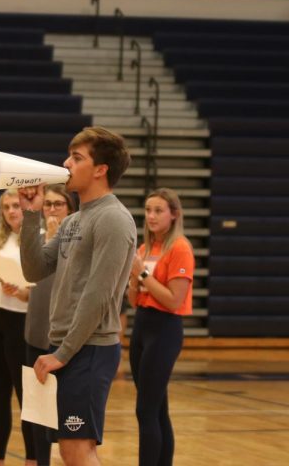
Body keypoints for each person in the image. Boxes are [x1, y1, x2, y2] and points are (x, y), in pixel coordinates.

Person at [19, 126, 136, 466]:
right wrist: (30, 215)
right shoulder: (73, 221)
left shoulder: (113, 219)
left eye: (77, 157)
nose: (66, 163)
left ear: (101, 169)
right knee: (70, 450)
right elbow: (35, 270)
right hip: (68, 347)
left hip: (89, 350)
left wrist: (64, 353)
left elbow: (97, 296)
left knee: (78, 449)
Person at [126, 188, 193, 466]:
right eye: (148, 210)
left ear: (173, 214)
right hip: (141, 326)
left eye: (158, 210)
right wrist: (133, 277)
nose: (151, 216)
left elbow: (173, 300)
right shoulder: (144, 249)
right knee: (157, 410)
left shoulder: (180, 248)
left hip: (164, 330)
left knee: (145, 410)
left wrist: (142, 273)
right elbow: (133, 299)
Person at [0, 189, 36, 466]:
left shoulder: (37, 239)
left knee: (27, 397)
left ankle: (32, 459)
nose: (12, 211)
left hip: (21, 321)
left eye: (17, 206)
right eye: (7, 207)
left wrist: (22, 290)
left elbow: (41, 285)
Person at [24, 183, 76, 466]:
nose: (53, 209)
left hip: (62, 338)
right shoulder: (36, 239)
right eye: (49, 204)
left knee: (65, 415)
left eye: (59, 204)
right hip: (34, 331)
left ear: (70, 209)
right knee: (37, 413)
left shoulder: (76, 242)